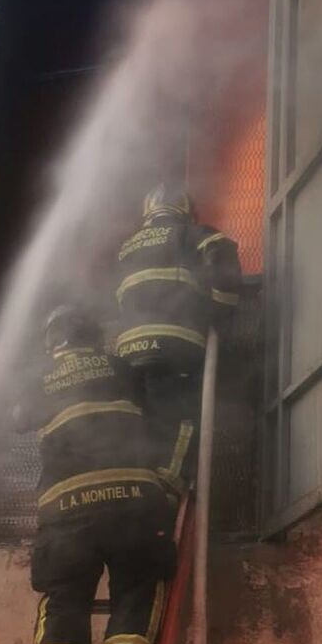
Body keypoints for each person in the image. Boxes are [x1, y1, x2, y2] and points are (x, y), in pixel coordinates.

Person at [22, 305, 178, 644]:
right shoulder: (122, 366)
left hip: (65, 515)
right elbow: (158, 416)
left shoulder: (40, 380)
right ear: (95, 337)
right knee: (136, 594)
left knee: (64, 605)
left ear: (53, 343)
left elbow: (16, 418)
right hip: (134, 506)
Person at [114, 188, 241, 493]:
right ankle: (168, 482)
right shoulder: (196, 234)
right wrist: (218, 311)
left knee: (142, 414)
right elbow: (223, 270)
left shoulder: (126, 248)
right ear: (185, 210)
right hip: (175, 341)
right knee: (183, 415)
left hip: (128, 349)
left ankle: (134, 477)